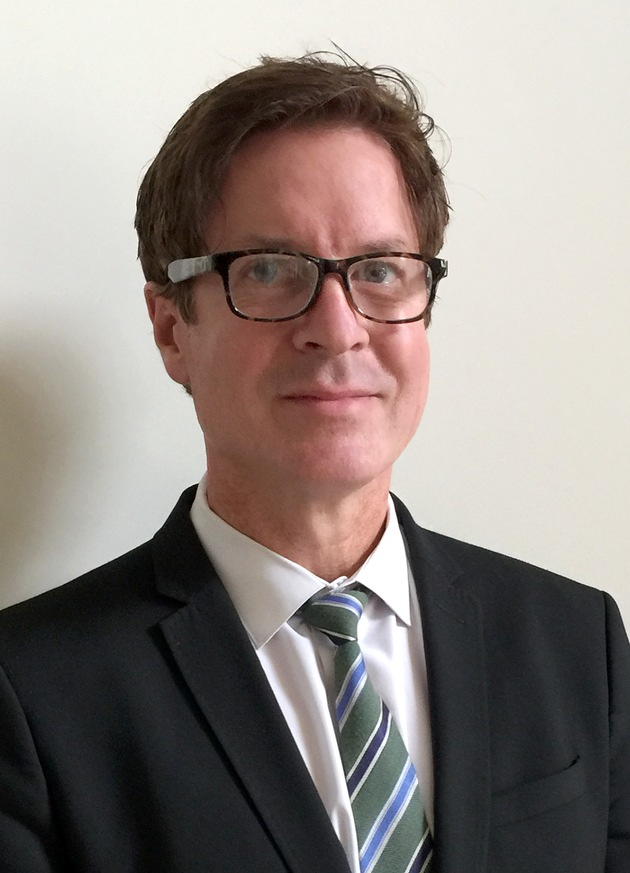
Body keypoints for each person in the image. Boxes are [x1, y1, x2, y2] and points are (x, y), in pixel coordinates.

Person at [0, 53, 628, 873]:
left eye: (380, 270)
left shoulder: (578, 642)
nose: (337, 329)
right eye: (268, 269)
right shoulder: (31, 691)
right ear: (171, 328)